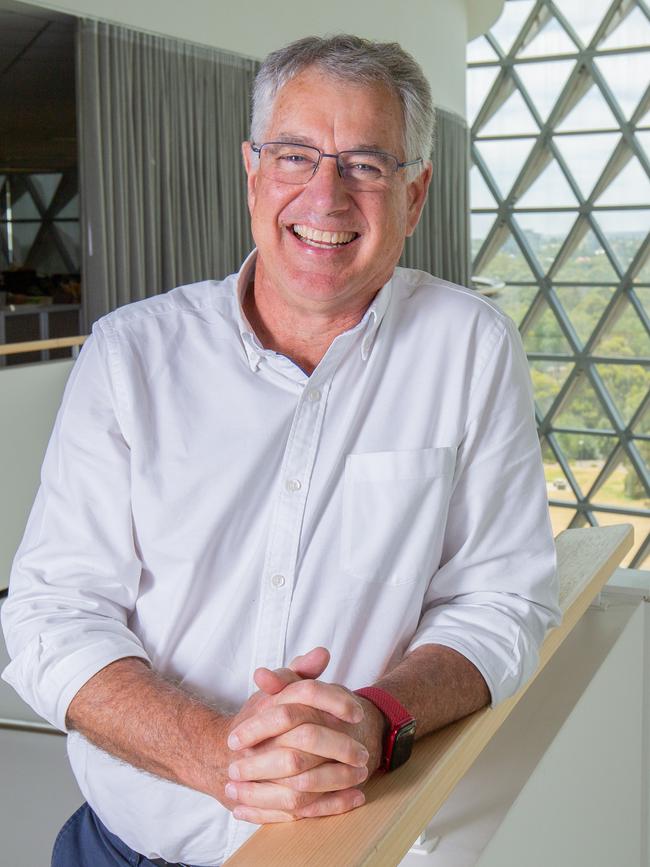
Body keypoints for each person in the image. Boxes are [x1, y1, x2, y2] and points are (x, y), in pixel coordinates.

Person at [1, 34, 560, 867]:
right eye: (296, 155)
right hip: (130, 846)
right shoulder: (129, 355)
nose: (326, 195)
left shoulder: (470, 348)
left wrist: (375, 714)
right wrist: (214, 750)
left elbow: (502, 599)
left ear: (416, 194)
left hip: (359, 844)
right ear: (253, 171)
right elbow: (52, 615)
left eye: (367, 164)